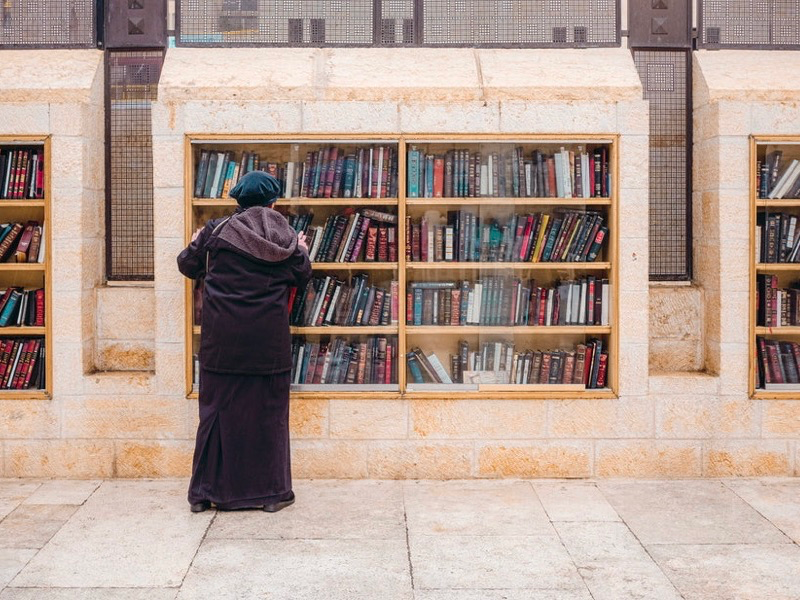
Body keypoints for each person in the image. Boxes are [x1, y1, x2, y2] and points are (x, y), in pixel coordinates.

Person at [177, 170, 312, 513]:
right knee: (268, 418)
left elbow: (187, 265)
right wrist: (303, 251)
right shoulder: (286, 235)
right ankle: (270, 495)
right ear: (274, 202)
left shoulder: (216, 231)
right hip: (267, 343)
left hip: (221, 342)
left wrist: (196, 241)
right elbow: (301, 274)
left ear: (237, 201)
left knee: (215, 415)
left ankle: (204, 495)